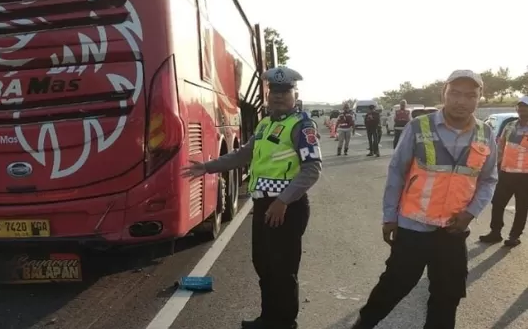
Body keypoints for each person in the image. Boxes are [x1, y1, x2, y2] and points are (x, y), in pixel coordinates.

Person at [351, 70, 498, 329]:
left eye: (470, 95)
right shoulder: (419, 126)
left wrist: (471, 213)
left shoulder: (485, 133)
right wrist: (389, 217)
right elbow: (397, 171)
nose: (461, 101)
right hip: (413, 228)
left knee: (448, 295)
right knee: (393, 287)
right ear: (444, 92)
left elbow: (488, 179)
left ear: (479, 98)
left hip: (453, 230)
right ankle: (363, 324)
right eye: (455, 93)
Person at [182, 66, 322, 329]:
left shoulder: (302, 126)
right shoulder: (265, 124)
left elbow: (312, 169)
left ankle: (284, 323)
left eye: (284, 91)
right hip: (263, 204)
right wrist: (208, 166)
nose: (278, 96)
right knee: (264, 264)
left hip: (286, 208)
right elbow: (243, 155)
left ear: (295, 93)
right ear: (268, 95)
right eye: (274, 91)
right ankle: (269, 319)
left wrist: (283, 201)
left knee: (283, 268)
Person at [479, 96, 528, 247]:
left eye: (525, 107)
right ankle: (495, 233)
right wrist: (494, 166)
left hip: (525, 176)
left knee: (522, 207)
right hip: (506, 173)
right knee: (497, 203)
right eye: (519, 107)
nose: (521, 110)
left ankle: (514, 236)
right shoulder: (510, 126)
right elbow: (500, 147)